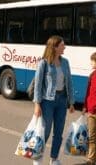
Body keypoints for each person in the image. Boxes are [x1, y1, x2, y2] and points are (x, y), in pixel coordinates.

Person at [33, 35, 75, 165]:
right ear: (55, 47)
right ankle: (38, 158)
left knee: (58, 132)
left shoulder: (65, 62)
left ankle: (54, 159)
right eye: (62, 45)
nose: (64, 47)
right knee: (44, 132)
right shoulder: (44, 63)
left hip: (62, 100)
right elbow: (38, 84)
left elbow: (69, 82)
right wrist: (37, 104)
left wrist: (71, 102)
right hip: (47, 101)